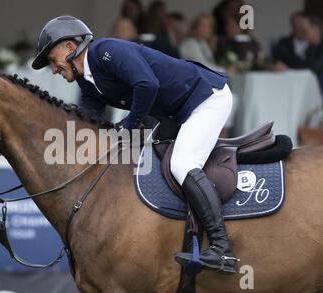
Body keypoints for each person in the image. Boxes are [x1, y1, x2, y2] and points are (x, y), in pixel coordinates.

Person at [32, 16, 239, 274]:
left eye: (53, 60)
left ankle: (222, 249)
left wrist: (128, 127)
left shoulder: (106, 51)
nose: (54, 70)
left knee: (182, 163)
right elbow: (88, 119)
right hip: (177, 112)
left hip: (206, 98)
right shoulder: (88, 80)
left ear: (69, 47)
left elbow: (147, 84)